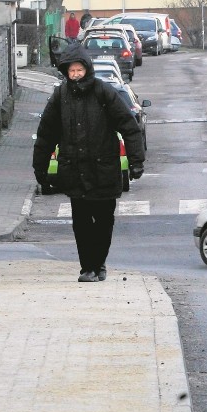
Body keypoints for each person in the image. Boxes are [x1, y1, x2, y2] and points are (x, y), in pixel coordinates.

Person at [32, 42, 145, 282]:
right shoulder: (60, 95)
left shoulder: (103, 92)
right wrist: (40, 168)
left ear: (87, 69)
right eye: (70, 71)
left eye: (78, 71)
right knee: (81, 225)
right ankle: (87, 267)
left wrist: (136, 161)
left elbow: (129, 126)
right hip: (74, 172)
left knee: (103, 222)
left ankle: (99, 264)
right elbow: (46, 134)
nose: (75, 76)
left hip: (103, 171)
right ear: (65, 72)